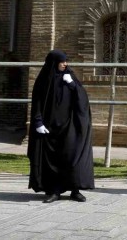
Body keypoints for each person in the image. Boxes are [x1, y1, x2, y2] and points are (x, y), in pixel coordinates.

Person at [28, 50, 94, 202]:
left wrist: (72, 85)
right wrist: (38, 122)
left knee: (71, 157)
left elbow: (83, 99)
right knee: (53, 160)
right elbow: (37, 102)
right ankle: (54, 191)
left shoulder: (70, 77)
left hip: (70, 126)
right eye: (62, 61)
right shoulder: (44, 80)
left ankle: (75, 190)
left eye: (66, 61)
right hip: (50, 127)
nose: (65, 64)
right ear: (54, 63)